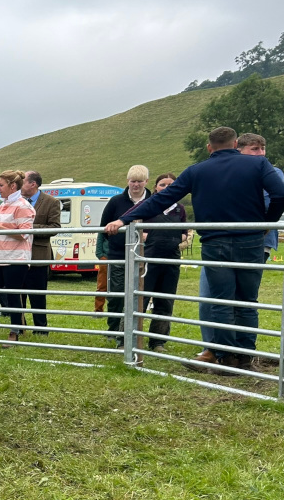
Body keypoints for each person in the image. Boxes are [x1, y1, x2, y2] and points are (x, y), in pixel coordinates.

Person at [107, 127, 284, 370]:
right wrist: (266, 222)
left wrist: (124, 219)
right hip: (251, 241)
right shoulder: (259, 165)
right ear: (235, 144)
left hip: (215, 242)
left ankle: (225, 357)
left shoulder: (196, 171)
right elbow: (280, 194)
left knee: (221, 301)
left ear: (209, 147)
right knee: (247, 300)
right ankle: (244, 357)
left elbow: (160, 200)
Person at [99, 165, 151, 346]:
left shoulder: (154, 201)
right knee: (116, 294)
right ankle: (113, 329)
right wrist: (116, 233)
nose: (136, 185)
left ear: (146, 182)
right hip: (119, 254)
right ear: (127, 181)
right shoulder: (115, 202)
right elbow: (104, 227)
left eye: (139, 181)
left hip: (145, 255)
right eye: (132, 181)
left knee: (140, 293)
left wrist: (148, 235)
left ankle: (133, 331)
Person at [138, 172, 187, 353]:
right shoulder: (148, 205)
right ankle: (133, 337)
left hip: (171, 259)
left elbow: (184, 233)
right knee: (141, 299)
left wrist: (174, 239)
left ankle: (158, 342)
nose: (166, 188)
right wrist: (154, 237)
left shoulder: (179, 209)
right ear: (155, 188)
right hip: (148, 258)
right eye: (162, 185)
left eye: (170, 185)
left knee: (165, 301)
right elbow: (137, 228)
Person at [0, 170, 35, 344]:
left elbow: (24, 233)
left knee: (13, 295)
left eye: (1, 185)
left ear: (12, 186)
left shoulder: (23, 206)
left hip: (16, 258)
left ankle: (14, 332)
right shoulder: (3, 204)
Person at [18, 171, 61, 334]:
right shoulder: (18, 202)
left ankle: (40, 329)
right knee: (17, 293)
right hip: (18, 256)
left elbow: (55, 228)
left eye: (23, 182)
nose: (20, 186)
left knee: (37, 295)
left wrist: (30, 229)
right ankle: (19, 327)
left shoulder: (51, 202)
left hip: (38, 256)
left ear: (33, 184)